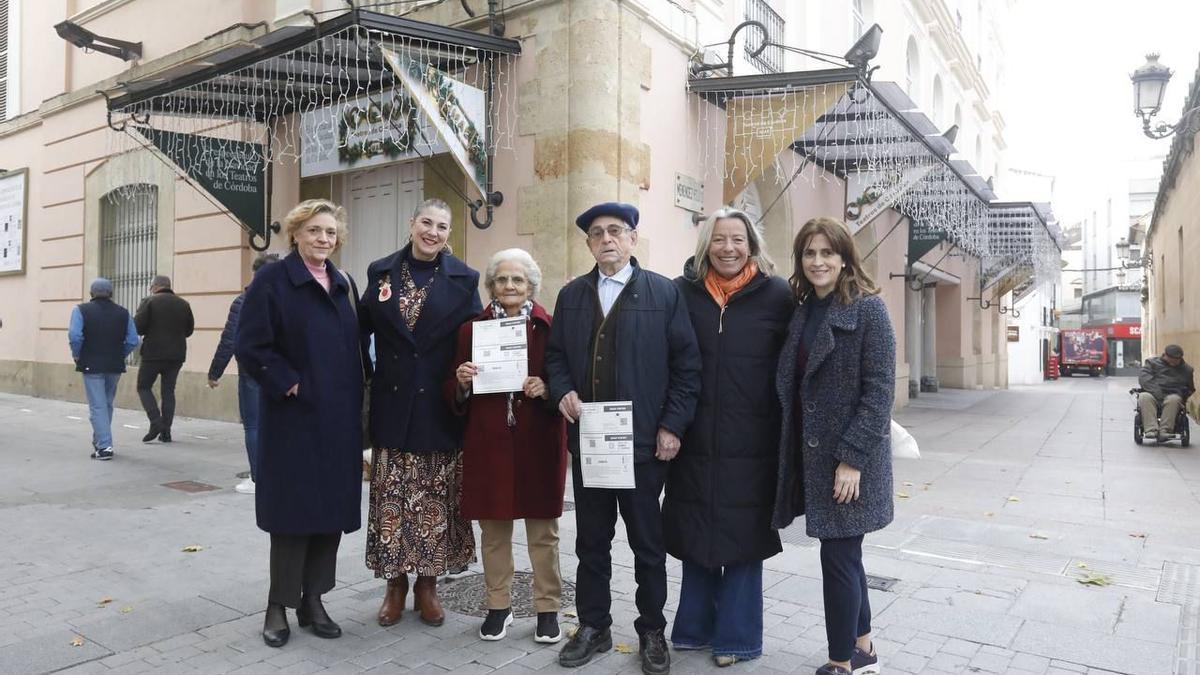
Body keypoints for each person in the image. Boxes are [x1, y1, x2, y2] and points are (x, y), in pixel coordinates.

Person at [546, 201, 701, 675]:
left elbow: (687, 367)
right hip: (591, 444)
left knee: (647, 546)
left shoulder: (663, 293)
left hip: (642, 447)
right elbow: (554, 359)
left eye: (616, 230)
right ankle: (594, 626)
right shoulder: (572, 295)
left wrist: (673, 425)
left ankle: (652, 630)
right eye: (597, 233)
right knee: (591, 541)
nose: (607, 239)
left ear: (633, 238)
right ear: (589, 243)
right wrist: (562, 391)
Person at [663, 208, 793, 667]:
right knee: (695, 532)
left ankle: (737, 639)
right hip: (693, 436)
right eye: (719, 240)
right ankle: (694, 629)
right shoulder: (682, 293)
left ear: (752, 244)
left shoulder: (778, 296)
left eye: (738, 239)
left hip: (754, 439)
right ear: (705, 246)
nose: (729, 249)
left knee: (743, 540)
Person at [235, 199, 367, 648]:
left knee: (328, 514)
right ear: (296, 233)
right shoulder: (273, 280)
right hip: (294, 420)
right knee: (292, 516)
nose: (323, 239)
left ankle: (314, 600)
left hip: (339, 421)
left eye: (330, 232)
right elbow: (250, 344)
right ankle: (277, 604)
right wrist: (289, 384)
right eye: (314, 231)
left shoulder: (343, 282)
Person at [772, 217, 895, 675]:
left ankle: (840, 662)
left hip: (847, 460)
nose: (818, 261)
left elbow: (880, 391)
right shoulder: (804, 310)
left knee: (838, 557)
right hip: (812, 453)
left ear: (844, 258)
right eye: (809, 253)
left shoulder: (868, 310)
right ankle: (862, 649)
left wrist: (852, 460)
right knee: (846, 554)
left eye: (827, 252)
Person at [361, 198, 481, 628]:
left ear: (450, 234)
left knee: (433, 498)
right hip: (393, 406)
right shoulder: (381, 272)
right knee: (391, 497)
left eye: (442, 227)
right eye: (426, 223)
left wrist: (471, 379)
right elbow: (360, 331)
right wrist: (366, 376)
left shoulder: (465, 278)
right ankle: (394, 586)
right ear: (412, 224)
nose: (433, 232)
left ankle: (427, 585)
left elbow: (474, 337)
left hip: (438, 405)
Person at [447, 248, 568, 644]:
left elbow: (566, 380)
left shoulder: (550, 327)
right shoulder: (472, 330)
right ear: (491, 286)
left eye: (518, 279)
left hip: (538, 442)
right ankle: (499, 606)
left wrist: (547, 388)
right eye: (502, 280)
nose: (510, 286)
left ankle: (548, 608)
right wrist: (462, 381)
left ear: (531, 284)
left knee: (543, 532)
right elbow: (452, 390)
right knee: (494, 530)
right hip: (490, 442)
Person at [208, 253, 281, 494]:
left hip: (253, 370)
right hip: (283, 371)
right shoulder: (288, 297)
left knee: (253, 425)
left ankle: (258, 479)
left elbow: (230, 339)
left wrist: (215, 372)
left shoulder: (244, 300)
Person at [68, 277, 140, 460]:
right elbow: (133, 340)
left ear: (91, 293)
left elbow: (75, 336)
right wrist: (120, 354)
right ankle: (100, 440)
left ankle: (105, 446)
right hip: (114, 365)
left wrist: (77, 354)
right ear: (111, 293)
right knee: (107, 404)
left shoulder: (80, 310)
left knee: (98, 406)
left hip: (91, 363)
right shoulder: (124, 313)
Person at [134, 275, 194, 443]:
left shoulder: (149, 302)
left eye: (151, 287)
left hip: (153, 353)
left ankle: (155, 422)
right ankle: (166, 431)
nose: (150, 290)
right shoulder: (183, 304)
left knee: (143, 386)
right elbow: (189, 330)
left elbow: (138, 327)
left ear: (156, 286)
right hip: (176, 355)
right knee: (168, 391)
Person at [1138, 344, 1196, 441]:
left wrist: (1182, 394)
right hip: (1153, 393)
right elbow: (1144, 379)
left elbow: (1190, 388)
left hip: (1173, 395)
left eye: (1177, 359)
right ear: (1165, 355)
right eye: (1172, 359)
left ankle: (1165, 430)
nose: (1174, 361)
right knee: (1144, 396)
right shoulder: (1152, 364)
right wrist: (1157, 393)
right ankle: (1151, 429)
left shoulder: (1187, 370)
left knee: (1174, 399)